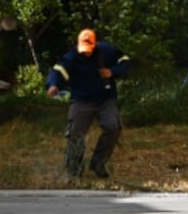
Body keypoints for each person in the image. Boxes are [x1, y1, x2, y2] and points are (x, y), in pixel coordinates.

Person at [45, 27, 131, 178]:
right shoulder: (72, 56)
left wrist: (113, 72)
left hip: (105, 98)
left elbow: (126, 62)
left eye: (89, 49)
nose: (86, 52)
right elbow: (58, 71)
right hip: (81, 100)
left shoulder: (107, 51)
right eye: (83, 49)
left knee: (113, 127)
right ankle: (74, 170)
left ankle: (98, 163)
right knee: (74, 134)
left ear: (95, 44)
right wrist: (53, 85)